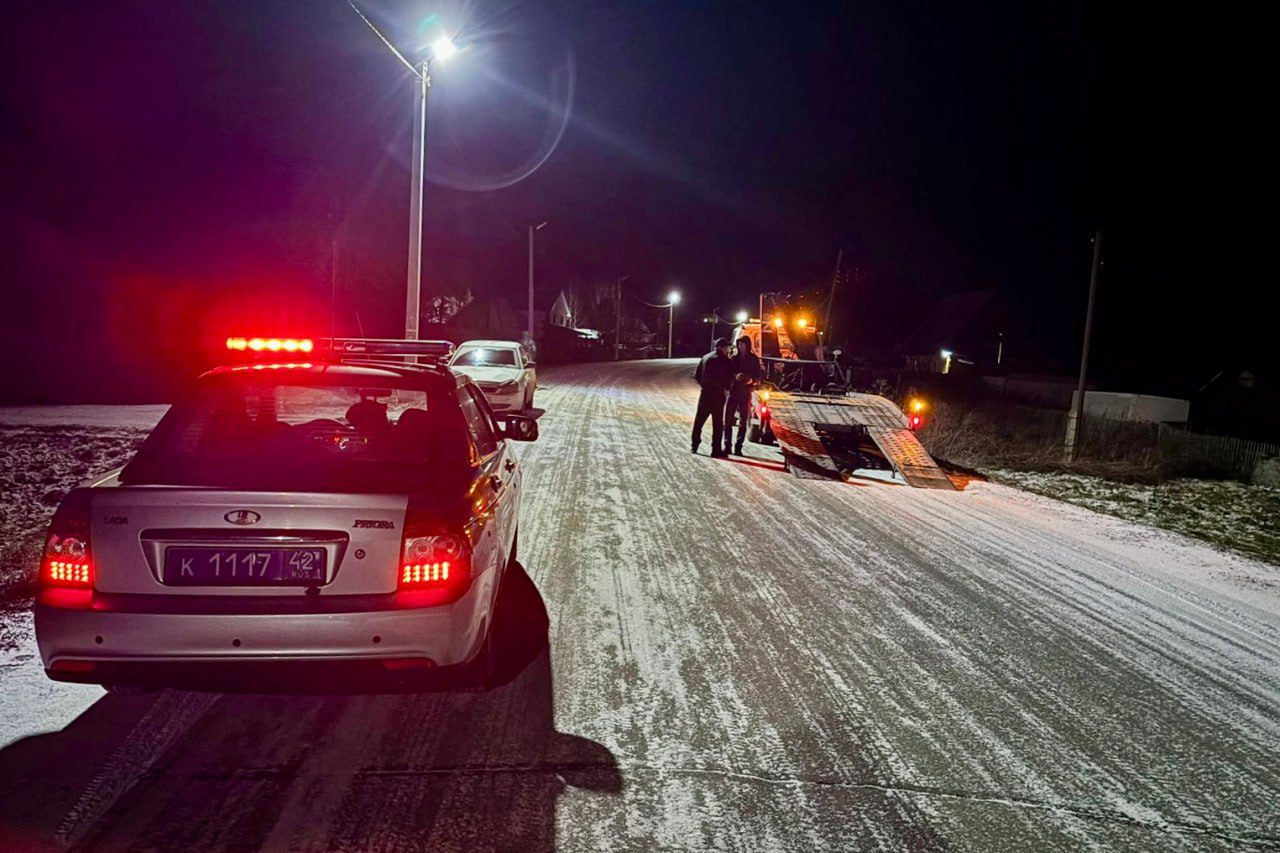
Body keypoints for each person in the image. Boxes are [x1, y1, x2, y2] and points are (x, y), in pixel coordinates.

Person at [692, 337, 735, 457]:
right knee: (717, 424)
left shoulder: (705, 357)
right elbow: (729, 378)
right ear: (721, 347)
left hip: (705, 394)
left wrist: (704, 385)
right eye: (727, 347)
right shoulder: (725, 361)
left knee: (699, 421)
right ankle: (716, 450)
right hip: (717, 396)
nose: (728, 349)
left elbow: (697, 375)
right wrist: (726, 388)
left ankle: (694, 445)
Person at [723, 335, 763, 455]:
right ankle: (727, 446)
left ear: (748, 345)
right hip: (733, 392)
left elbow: (759, 377)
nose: (741, 347)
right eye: (739, 344)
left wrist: (750, 380)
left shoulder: (754, 360)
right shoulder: (733, 359)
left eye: (743, 344)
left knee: (743, 421)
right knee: (728, 420)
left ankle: (738, 447)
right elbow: (727, 374)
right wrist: (734, 378)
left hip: (745, 392)